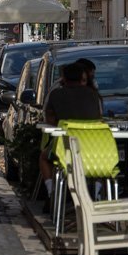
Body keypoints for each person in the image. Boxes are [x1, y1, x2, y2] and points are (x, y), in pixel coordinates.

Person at [40, 61, 103, 197]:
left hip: (64, 151)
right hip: (94, 150)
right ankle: (97, 192)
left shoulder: (56, 94)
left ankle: (52, 193)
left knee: (44, 158)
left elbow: (49, 119)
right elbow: (99, 117)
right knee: (101, 165)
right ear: (82, 77)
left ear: (64, 78)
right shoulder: (93, 95)